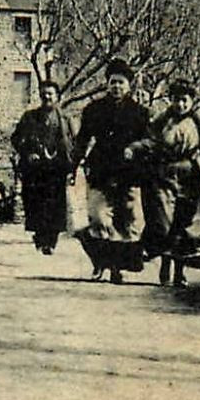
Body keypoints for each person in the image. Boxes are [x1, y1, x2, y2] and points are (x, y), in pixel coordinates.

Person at [127, 82, 200, 287]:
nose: (180, 104)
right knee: (164, 223)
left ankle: (179, 272)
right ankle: (165, 266)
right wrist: (135, 148)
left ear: (191, 101)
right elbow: (150, 141)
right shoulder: (162, 121)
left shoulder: (198, 123)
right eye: (176, 99)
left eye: (184, 100)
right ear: (170, 100)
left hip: (190, 178)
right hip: (163, 176)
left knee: (185, 225)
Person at [72, 57, 152, 283]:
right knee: (98, 219)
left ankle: (118, 267)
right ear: (107, 83)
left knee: (129, 223)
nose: (116, 87)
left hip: (130, 173)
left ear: (129, 85)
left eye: (121, 83)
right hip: (101, 171)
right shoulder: (93, 110)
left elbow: (150, 141)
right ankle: (99, 263)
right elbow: (82, 140)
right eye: (113, 82)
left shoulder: (141, 113)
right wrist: (74, 165)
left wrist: (135, 147)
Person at [11, 74, 76, 255]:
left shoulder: (65, 119)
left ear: (57, 97)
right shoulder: (30, 117)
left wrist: (71, 165)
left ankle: (51, 241)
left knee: (55, 203)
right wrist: (27, 152)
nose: (47, 97)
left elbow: (75, 142)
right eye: (44, 94)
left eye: (51, 94)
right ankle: (40, 237)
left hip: (57, 167)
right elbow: (16, 139)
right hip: (35, 169)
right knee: (36, 202)